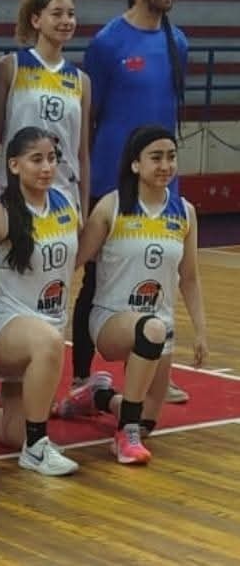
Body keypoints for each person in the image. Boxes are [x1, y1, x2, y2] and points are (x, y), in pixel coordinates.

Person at [70, 0, 189, 403]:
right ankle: (82, 375)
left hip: (162, 184)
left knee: (163, 276)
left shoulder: (178, 43)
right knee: (95, 280)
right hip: (111, 182)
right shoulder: (107, 44)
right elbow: (92, 115)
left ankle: (157, 373)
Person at [56, 126, 208, 463]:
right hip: (110, 320)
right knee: (150, 329)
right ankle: (123, 436)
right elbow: (75, 262)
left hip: (160, 327)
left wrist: (200, 331)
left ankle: (98, 396)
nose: (165, 165)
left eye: (171, 157)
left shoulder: (185, 212)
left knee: (147, 420)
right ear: (136, 164)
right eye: (156, 157)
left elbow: (190, 278)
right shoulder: (111, 207)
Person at [0, 126, 79, 476]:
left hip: (46, 322)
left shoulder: (66, 204)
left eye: (52, 159)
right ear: (14, 165)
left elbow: (80, 256)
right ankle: (37, 449)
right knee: (48, 342)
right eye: (36, 159)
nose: (46, 167)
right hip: (3, 323)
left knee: (15, 433)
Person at [0, 0, 91, 215]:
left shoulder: (81, 80)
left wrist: (83, 210)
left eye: (71, 14)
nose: (66, 21)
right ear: (36, 20)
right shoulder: (11, 67)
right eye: (57, 14)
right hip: (17, 194)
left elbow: (82, 154)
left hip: (63, 195)